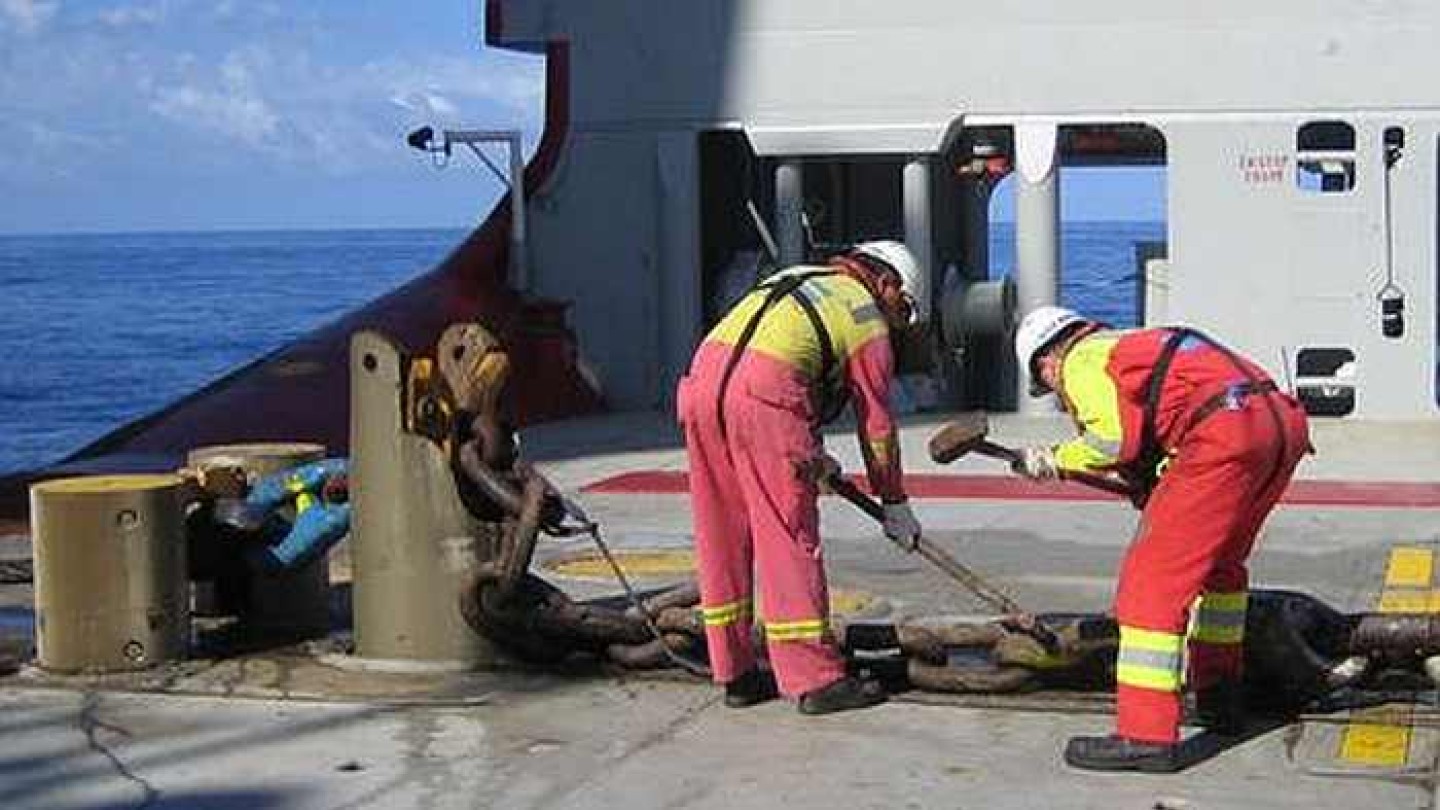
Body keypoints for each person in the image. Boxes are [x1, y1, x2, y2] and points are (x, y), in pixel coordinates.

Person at [1010, 306, 1311, 772]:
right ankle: (1219, 696)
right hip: (1278, 428)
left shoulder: (1082, 359)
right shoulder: (1134, 348)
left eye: (1047, 383)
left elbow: (1112, 442)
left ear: (1046, 361)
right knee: (1221, 569)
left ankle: (1145, 734)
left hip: (1224, 435)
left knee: (1151, 587)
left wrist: (1053, 459)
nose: (1057, 389)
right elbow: (1155, 436)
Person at [676, 240, 925, 714]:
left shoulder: (796, 279)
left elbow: (791, 365)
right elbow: (876, 425)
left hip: (701, 385)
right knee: (786, 534)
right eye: (904, 308)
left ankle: (735, 672)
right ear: (886, 282)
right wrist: (894, 501)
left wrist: (812, 456)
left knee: (720, 534)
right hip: (764, 397)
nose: (899, 321)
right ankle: (815, 680)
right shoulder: (864, 314)